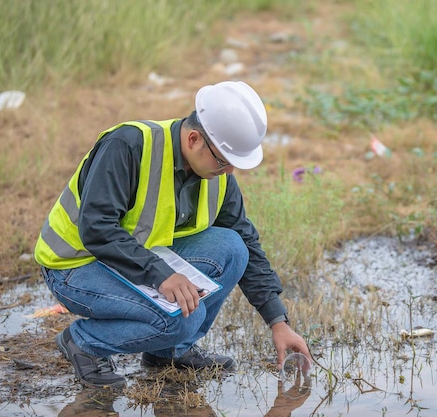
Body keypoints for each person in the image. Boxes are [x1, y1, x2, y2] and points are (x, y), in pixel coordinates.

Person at [34, 80, 312, 388]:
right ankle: (83, 341)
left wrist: (278, 322)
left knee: (233, 248)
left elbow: (245, 238)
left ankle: (168, 352)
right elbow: (97, 228)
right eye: (224, 161)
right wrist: (160, 274)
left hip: (133, 259)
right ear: (194, 139)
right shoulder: (128, 146)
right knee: (183, 318)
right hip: (75, 266)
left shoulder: (216, 172)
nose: (230, 172)